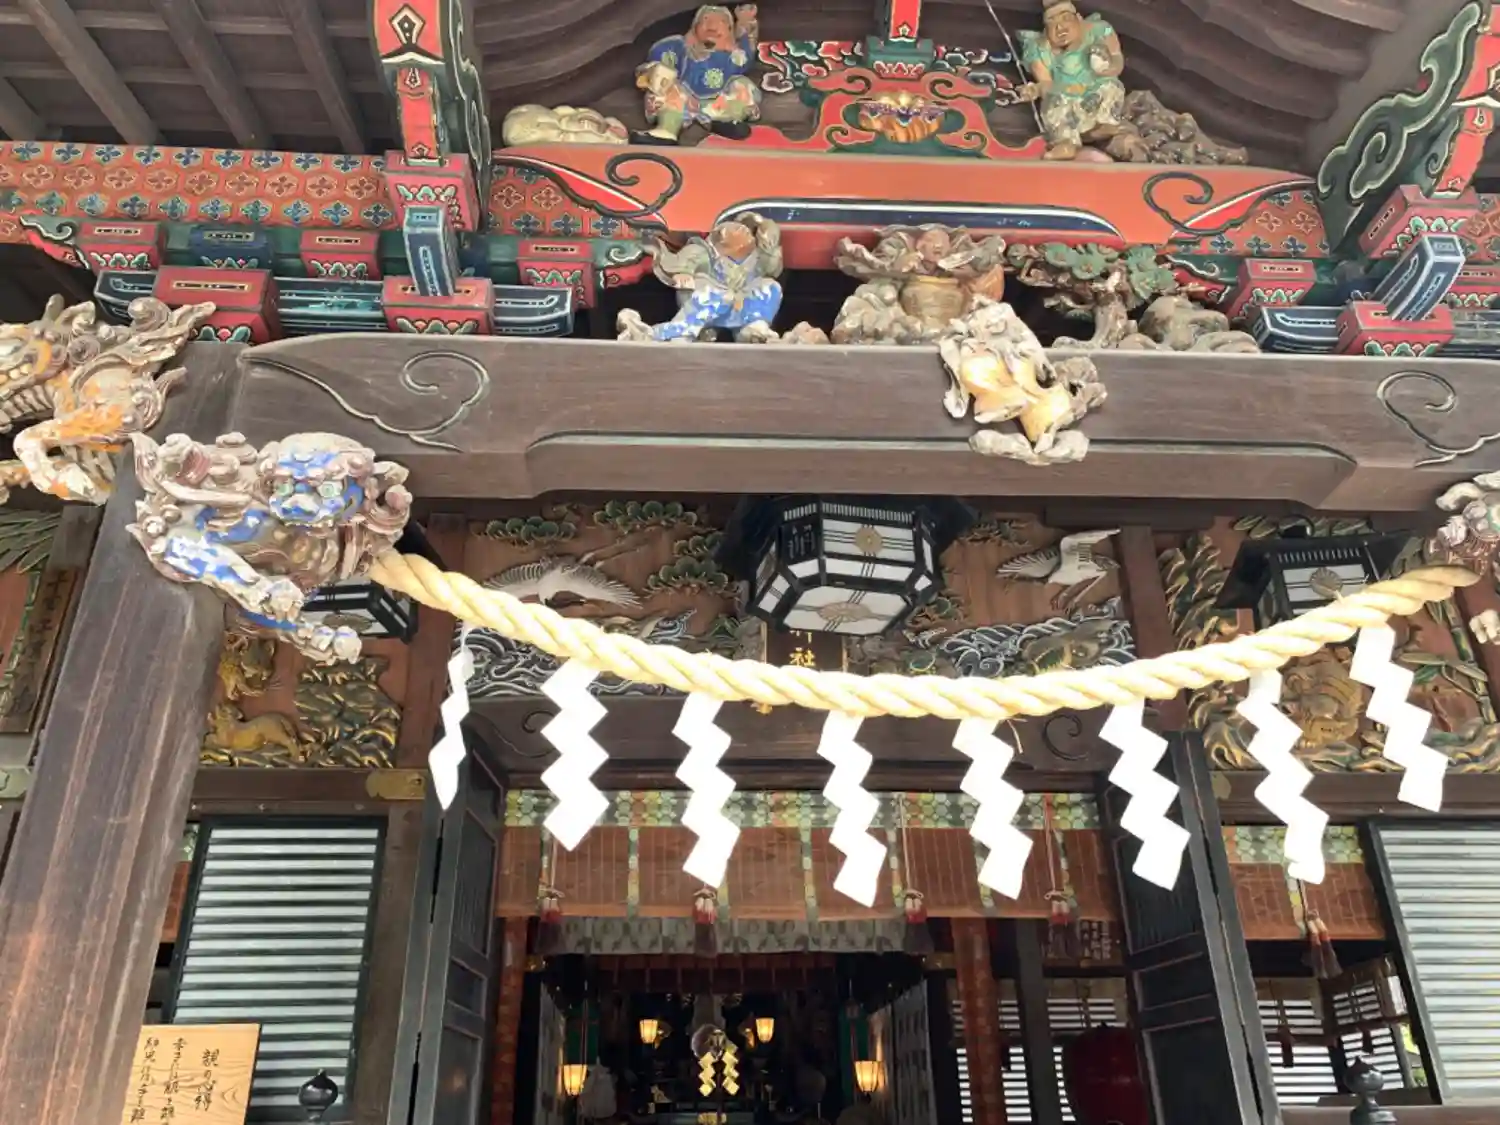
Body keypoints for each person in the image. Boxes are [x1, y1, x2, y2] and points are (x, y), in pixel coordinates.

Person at [636, 5, 762, 143]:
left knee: (743, 84)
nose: (712, 26)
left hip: (718, 104)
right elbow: (657, 61)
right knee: (663, 83)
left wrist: (745, 22)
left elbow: (747, 54)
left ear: (730, 31)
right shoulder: (679, 47)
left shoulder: (733, 56)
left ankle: (727, 120)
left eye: (722, 22)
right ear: (695, 27)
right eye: (705, 20)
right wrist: (655, 72)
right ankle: (667, 128)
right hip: (681, 101)